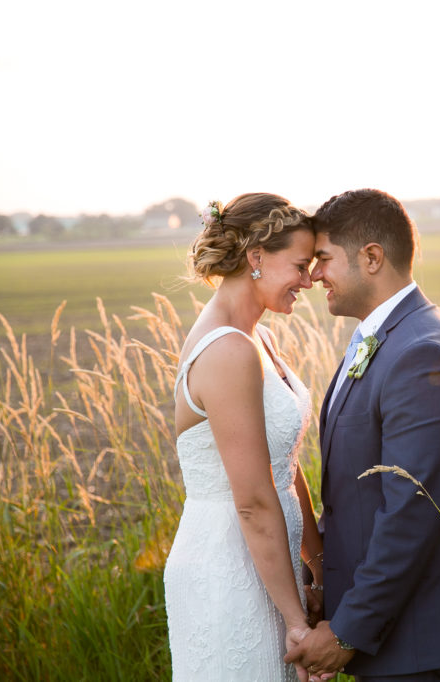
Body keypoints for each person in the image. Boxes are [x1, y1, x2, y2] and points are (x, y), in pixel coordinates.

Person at [286, 189, 440, 681]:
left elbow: (411, 512)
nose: (314, 276)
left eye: (324, 259)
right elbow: (359, 494)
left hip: (417, 637)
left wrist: (347, 631)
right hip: (390, 627)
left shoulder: (422, 354)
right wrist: (327, 587)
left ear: (372, 258)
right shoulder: (383, 338)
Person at [164, 193, 325, 681]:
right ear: (256, 257)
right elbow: (253, 500)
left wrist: (319, 565)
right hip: (229, 569)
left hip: (271, 567)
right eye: (299, 265)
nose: (308, 280)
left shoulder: (258, 338)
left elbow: (284, 462)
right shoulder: (229, 350)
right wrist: (298, 623)